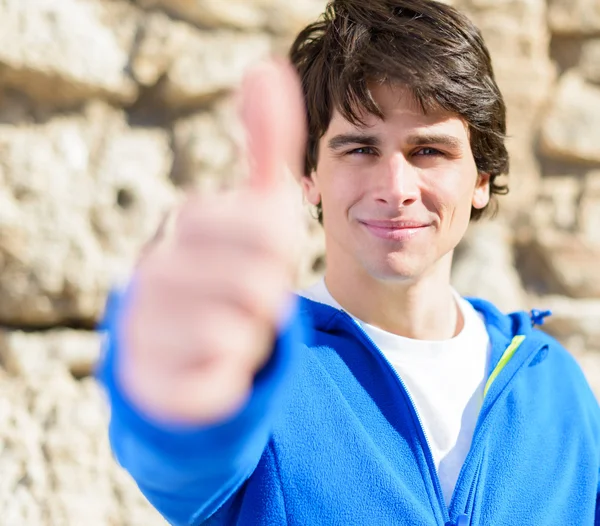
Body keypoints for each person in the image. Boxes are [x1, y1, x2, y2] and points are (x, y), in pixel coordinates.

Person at [97, 0, 600, 524]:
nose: (395, 188)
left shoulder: (553, 383)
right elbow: (180, 466)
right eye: (360, 149)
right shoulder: (253, 363)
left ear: (479, 178)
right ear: (309, 174)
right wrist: (167, 395)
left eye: (429, 150)